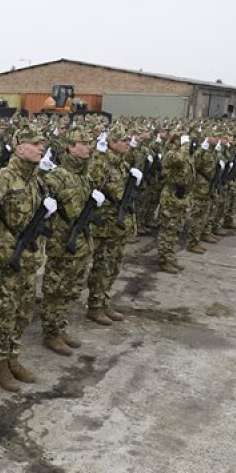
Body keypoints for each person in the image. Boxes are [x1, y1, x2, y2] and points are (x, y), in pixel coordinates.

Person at [0, 125, 51, 391]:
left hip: (31, 258)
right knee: (5, 313)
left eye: (42, 143)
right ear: (20, 147)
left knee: (23, 312)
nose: (41, 147)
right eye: (35, 143)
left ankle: (13, 357)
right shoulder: (5, 178)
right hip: (9, 258)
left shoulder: (34, 178)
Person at [40, 126, 101, 355]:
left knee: (73, 288)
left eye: (89, 143)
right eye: (82, 144)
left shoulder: (84, 176)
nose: (88, 147)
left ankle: (60, 326)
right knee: (57, 288)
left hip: (81, 241)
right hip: (62, 242)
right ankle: (50, 332)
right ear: (69, 147)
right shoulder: (56, 177)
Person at [86, 124, 140, 325]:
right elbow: (117, 193)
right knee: (102, 267)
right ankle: (95, 306)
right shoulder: (100, 164)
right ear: (112, 143)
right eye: (123, 141)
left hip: (118, 224)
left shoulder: (121, 164)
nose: (127, 144)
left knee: (114, 266)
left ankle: (104, 301)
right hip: (105, 225)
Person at [156, 130, 194, 274]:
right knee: (167, 229)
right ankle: (163, 260)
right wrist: (184, 146)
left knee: (176, 228)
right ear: (174, 141)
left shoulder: (180, 152)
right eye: (180, 140)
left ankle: (170, 257)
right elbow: (179, 160)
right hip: (171, 197)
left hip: (180, 196)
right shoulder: (170, 154)